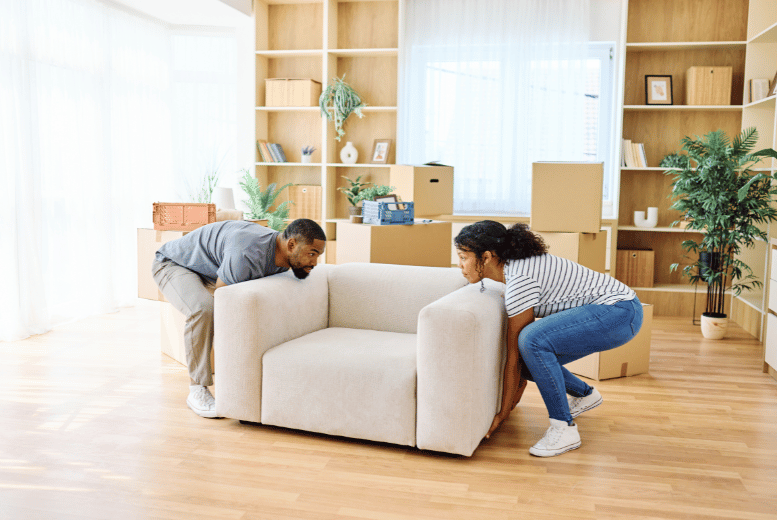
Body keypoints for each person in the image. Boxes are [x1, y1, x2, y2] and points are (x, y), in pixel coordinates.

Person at [454, 221, 642, 457]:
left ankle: (564, 428)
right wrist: (507, 408)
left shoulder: (520, 279)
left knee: (531, 340)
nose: (460, 265)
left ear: (487, 257)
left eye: (463, 257)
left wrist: (502, 414)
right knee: (531, 358)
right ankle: (585, 394)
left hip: (620, 312)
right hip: (621, 312)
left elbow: (514, 356)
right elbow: (520, 361)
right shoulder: (515, 268)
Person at [152, 218, 326, 418]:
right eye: (312, 254)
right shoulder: (247, 252)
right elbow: (225, 301)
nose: (314, 263)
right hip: (174, 264)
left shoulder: (284, 257)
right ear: (292, 244)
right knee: (204, 310)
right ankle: (197, 389)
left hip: (210, 268)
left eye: (318, 255)